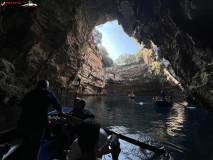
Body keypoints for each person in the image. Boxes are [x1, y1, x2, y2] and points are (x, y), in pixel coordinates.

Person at [18, 79, 65, 160]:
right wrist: (62, 113)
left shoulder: (31, 93)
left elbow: (23, 105)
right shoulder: (47, 92)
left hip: (23, 123)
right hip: (37, 125)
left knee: (26, 146)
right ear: (46, 86)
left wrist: (45, 116)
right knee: (35, 149)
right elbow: (57, 104)